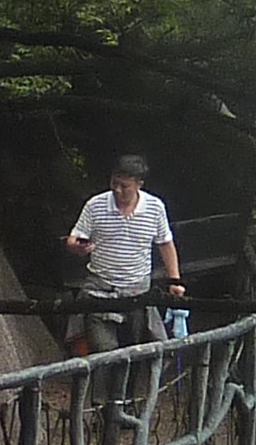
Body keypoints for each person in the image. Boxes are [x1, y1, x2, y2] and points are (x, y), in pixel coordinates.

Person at [64, 155, 184, 400]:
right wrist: (77, 247)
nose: (118, 190)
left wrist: (175, 280)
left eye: (124, 186)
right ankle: (100, 405)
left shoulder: (154, 207)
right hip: (99, 290)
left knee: (134, 351)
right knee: (104, 351)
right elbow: (73, 239)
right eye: (114, 183)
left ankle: (124, 403)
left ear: (139, 184)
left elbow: (165, 244)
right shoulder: (96, 205)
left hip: (136, 293)